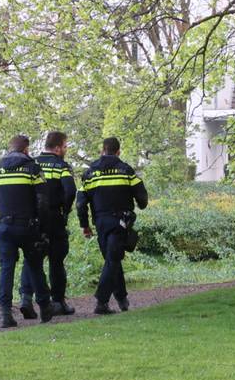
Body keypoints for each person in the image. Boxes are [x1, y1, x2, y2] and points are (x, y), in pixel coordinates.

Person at [0, 134, 57, 328]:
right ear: (26, 150)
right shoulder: (32, 169)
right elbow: (42, 201)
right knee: (34, 266)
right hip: (28, 226)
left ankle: (5, 313)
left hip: (5, 227)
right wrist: (43, 228)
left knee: (6, 269)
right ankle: (44, 307)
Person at [76, 136, 148, 314]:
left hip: (101, 222)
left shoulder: (90, 172)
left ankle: (122, 299)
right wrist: (138, 203)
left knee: (112, 259)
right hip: (120, 222)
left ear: (103, 150)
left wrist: (84, 225)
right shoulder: (126, 170)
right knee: (113, 260)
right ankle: (102, 302)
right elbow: (143, 199)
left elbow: (80, 203)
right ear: (118, 152)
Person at [19, 131, 77, 317]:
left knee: (32, 259)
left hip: (34, 219)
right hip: (54, 217)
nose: (66, 150)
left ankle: (26, 298)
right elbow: (70, 190)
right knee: (56, 260)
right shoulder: (61, 166)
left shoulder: (32, 163)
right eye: (66, 146)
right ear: (58, 147)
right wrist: (65, 210)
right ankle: (58, 301)